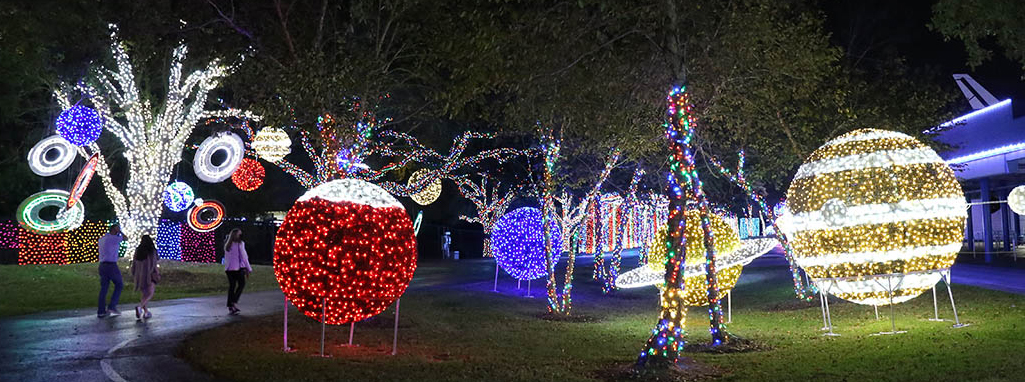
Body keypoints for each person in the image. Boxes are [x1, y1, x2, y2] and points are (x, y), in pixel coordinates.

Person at [97, 225, 124, 318]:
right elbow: (126, 238)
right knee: (119, 284)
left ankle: (101, 311)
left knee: (104, 288)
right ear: (114, 229)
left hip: (102, 265)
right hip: (111, 265)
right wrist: (120, 232)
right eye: (117, 229)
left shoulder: (102, 239)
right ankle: (112, 306)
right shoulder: (114, 239)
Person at [223, 228, 252, 315]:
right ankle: (233, 302)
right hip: (237, 268)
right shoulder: (240, 244)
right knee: (241, 284)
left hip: (228, 269)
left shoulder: (227, 244)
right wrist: (248, 268)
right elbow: (244, 257)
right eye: (240, 234)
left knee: (232, 286)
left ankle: (230, 306)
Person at [131, 235, 160, 320]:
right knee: (150, 293)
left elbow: (134, 262)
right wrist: (157, 273)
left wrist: (133, 272)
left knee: (144, 294)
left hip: (139, 275)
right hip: (149, 275)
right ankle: (140, 307)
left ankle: (146, 312)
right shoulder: (152, 251)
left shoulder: (138, 250)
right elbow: (154, 263)